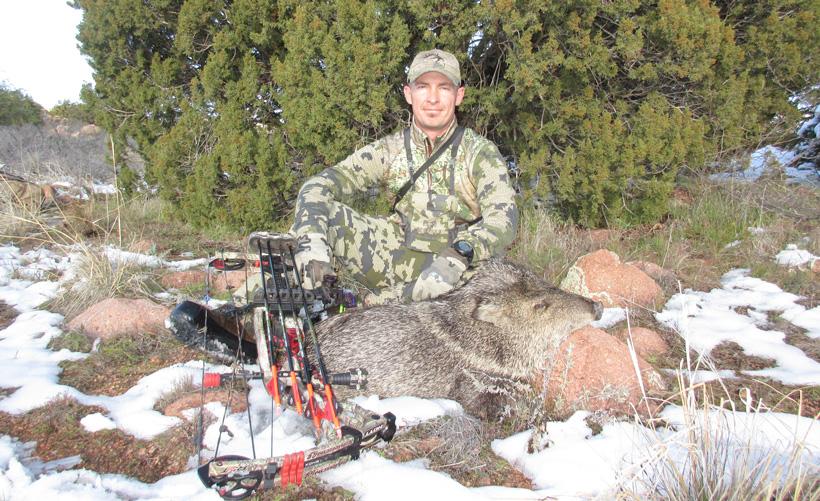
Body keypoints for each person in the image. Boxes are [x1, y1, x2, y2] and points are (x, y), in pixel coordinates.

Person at [260, 48, 517, 305]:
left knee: (493, 280)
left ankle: (378, 304)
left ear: (459, 95)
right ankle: (297, 292)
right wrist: (313, 247)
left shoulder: (480, 152)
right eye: (423, 87)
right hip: (396, 256)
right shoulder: (389, 149)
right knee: (325, 213)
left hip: (454, 271)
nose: (433, 98)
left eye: (444, 88)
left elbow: (504, 219)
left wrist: (460, 253)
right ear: (409, 94)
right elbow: (321, 184)